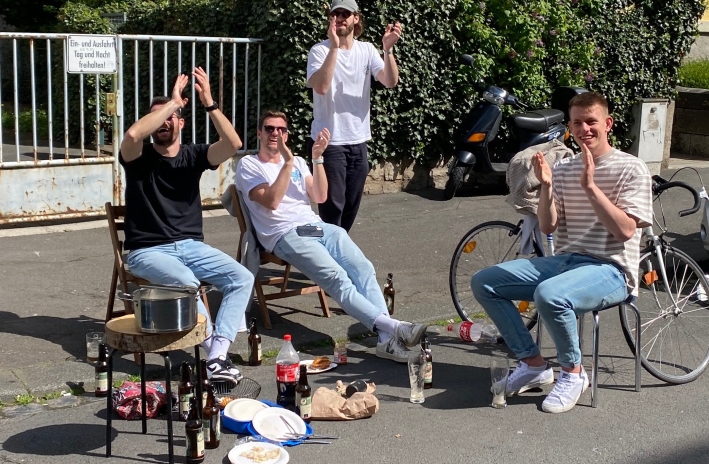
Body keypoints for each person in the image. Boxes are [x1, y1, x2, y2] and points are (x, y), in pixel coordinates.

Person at [470, 92, 652, 413]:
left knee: (550, 294)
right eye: (577, 123)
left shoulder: (631, 168)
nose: (585, 129)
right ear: (570, 126)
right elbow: (548, 226)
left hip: (613, 270)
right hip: (567, 263)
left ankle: (573, 373)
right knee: (485, 281)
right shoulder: (565, 168)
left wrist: (591, 187)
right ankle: (533, 364)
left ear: (607, 124)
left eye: (591, 122)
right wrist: (547, 186)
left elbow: (625, 230)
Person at [235, 110, 426, 362]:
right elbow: (271, 201)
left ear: (287, 135)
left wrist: (317, 159)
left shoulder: (299, 162)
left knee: (363, 268)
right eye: (269, 128)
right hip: (284, 234)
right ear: (259, 133)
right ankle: (394, 327)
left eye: (281, 129)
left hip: (317, 227)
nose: (275, 134)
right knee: (337, 278)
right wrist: (287, 163)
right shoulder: (249, 165)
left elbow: (320, 196)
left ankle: (385, 338)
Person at [119, 67, 253, 386]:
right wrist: (172, 103)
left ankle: (217, 354)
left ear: (182, 123)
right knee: (187, 283)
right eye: (158, 118)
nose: (163, 122)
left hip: (191, 247)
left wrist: (208, 102)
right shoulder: (138, 157)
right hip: (147, 251)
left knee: (242, 277)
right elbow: (133, 135)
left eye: (171, 118)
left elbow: (233, 143)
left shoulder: (193, 156)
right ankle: (215, 358)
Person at [306, 0, 402, 231]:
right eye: (335, 14)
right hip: (329, 142)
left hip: (358, 141)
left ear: (355, 18)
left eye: (345, 14)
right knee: (332, 207)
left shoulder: (367, 50)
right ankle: (330, 251)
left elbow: (390, 81)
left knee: (350, 206)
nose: (339, 18)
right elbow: (321, 87)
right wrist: (334, 48)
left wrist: (388, 50)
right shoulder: (319, 51)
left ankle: (339, 248)